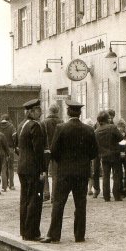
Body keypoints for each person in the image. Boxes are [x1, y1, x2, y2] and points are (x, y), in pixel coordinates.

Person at [41, 101, 98, 243]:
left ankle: (54, 235)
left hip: (64, 172)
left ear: (67, 112)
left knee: (59, 203)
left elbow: (54, 151)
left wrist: (63, 162)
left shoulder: (61, 128)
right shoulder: (89, 129)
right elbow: (94, 152)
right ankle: (79, 236)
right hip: (81, 173)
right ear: (80, 113)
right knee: (80, 204)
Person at [17, 99, 46, 240]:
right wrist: (42, 170)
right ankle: (32, 233)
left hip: (22, 166)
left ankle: (24, 231)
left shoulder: (21, 125)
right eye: (38, 110)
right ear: (32, 112)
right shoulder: (35, 126)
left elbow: (18, 147)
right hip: (33, 168)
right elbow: (38, 151)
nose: (40, 112)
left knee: (25, 200)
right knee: (35, 200)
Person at [94, 110, 124, 202]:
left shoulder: (96, 131)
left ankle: (106, 196)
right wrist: (125, 150)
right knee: (117, 175)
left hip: (104, 156)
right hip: (115, 155)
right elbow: (121, 139)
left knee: (105, 176)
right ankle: (117, 195)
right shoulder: (112, 127)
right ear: (107, 119)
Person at [42, 104, 62, 202]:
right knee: (56, 174)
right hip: (58, 150)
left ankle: (46, 193)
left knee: (44, 171)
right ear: (57, 111)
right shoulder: (61, 122)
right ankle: (54, 196)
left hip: (46, 150)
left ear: (49, 111)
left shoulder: (44, 122)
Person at [0, 114, 17, 191]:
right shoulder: (11, 126)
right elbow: (15, 137)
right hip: (10, 149)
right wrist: (15, 145)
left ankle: (4, 186)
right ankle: (12, 185)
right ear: (8, 119)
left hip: (1, 149)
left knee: (3, 167)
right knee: (11, 167)